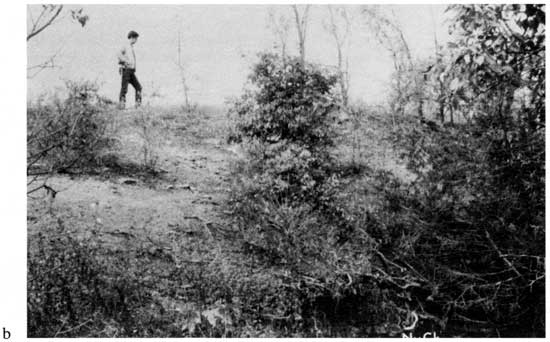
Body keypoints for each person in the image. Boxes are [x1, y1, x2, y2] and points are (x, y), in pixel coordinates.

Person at [118, 30, 142, 109]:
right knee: (124, 88)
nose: (136, 40)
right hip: (126, 70)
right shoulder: (125, 45)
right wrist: (125, 61)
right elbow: (118, 53)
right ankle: (122, 105)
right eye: (135, 38)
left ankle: (138, 105)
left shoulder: (130, 47)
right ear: (132, 37)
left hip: (131, 70)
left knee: (138, 87)